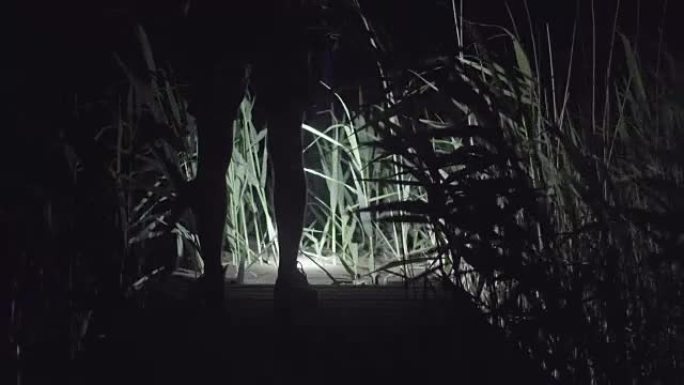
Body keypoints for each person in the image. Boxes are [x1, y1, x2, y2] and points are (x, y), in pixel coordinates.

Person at [180, 1, 322, 307]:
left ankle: (213, 280)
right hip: (278, 19)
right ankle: (286, 276)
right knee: (286, 151)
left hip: (221, 21)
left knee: (213, 155)